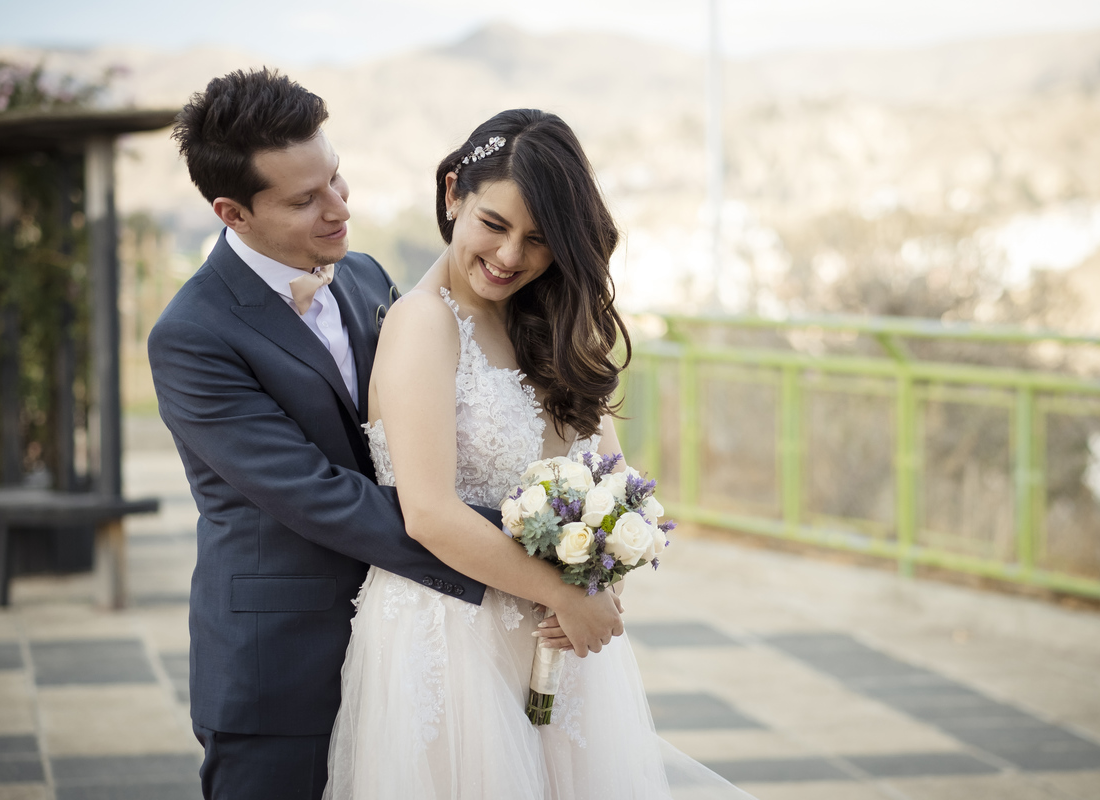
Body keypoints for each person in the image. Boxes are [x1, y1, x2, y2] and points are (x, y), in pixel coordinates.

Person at [148, 71, 623, 800]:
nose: (340, 207)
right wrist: (536, 571)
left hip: (421, 650)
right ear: (232, 212)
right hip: (285, 665)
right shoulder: (192, 336)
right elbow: (325, 497)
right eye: (306, 199)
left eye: (335, 178)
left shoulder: (364, 277)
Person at [324, 109, 753, 799]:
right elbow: (428, 512)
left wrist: (606, 571)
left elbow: (612, 481)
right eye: (494, 225)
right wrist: (564, 591)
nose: (511, 256)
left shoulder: (549, 325)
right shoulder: (422, 324)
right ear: (453, 193)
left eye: (539, 239)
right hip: (450, 638)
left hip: (557, 642)